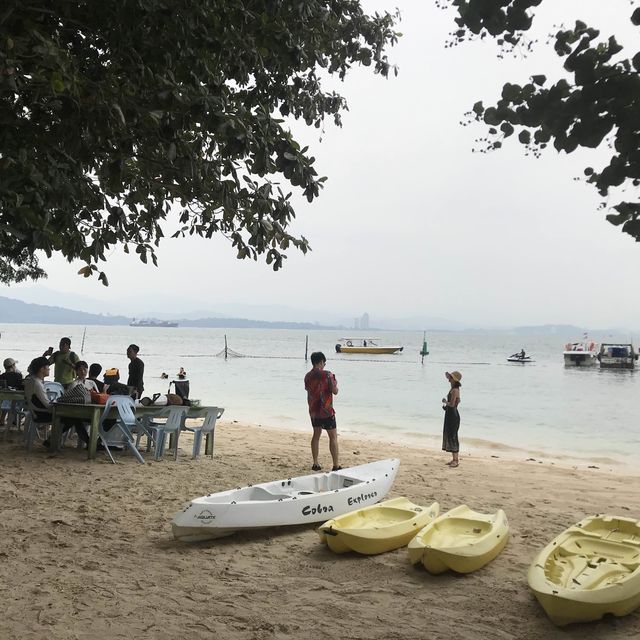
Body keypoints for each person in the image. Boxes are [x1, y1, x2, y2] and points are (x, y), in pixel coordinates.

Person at [304, 351, 340, 472]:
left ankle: (315, 463)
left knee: (316, 435)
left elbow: (309, 390)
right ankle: (335, 465)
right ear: (320, 362)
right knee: (333, 437)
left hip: (314, 411)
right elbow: (335, 391)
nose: (324, 365)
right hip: (327, 411)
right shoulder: (328, 375)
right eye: (324, 363)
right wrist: (336, 384)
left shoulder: (307, 376)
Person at [23, 357, 53, 424]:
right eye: (48, 367)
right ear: (42, 369)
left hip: (35, 413)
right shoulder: (37, 384)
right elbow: (47, 405)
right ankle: (57, 434)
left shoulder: (31, 381)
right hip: (43, 415)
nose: (49, 369)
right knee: (72, 417)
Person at [442, 371, 462, 468]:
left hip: (453, 416)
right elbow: (456, 402)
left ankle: (456, 460)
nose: (449, 378)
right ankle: (454, 459)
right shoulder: (453, 389)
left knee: (453, 436)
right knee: (450, 435)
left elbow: (453, 404)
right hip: (450, 414)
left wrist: (446, 402)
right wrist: (446, 407)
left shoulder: (455, 390)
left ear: (453, 379)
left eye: (450, 377)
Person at [0, 357, 24, 427]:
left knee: (6, 398)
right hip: (16, 400)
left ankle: (2, 419)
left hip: (4, 400)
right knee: (14, 398)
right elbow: (21, 388)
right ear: (13, 366)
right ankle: (15, 420)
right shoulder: (19, 375)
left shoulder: (1, 376)